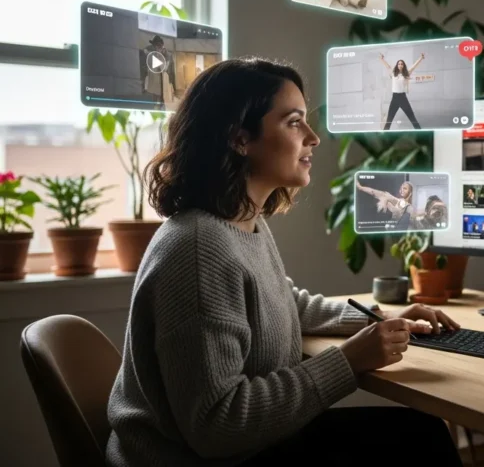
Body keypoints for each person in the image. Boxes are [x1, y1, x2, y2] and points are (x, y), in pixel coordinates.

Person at [106, 57, 461, 467]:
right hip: (200, 459)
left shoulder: (238, 223)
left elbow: (283, 302)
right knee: (419, 443)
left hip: (244, 449)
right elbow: (216, 425)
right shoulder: (201, 248)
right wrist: (348, 361)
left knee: (419, 435)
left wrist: (379, 318)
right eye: (293, 122)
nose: (313, 137)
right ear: (240, 138)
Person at [379, 52, 424, 130]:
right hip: (395, 98)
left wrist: (421, 58)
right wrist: (382, 59)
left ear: (403, 66)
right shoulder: (393, 73)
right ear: (397, 65)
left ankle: (420, 131)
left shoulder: (406, 74)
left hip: (402, 97)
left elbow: (413, 67)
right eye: (399, 64)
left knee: (412, 117)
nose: (400, 65)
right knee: (389, 120)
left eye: (402, 64)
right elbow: (388, 66)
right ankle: (384, 135)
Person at [140, 35, 177, 108]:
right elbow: (163, 68)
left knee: (158, 104)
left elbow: (167, 70)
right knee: (155, 104)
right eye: (157, 45)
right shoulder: (152, 54)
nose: (158, 47)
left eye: (159, 45)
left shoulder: (163, 55)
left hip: (160, 86)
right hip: (154, 86)